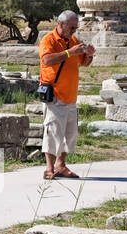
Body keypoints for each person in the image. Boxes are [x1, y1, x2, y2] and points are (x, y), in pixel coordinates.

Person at [37, 10, 93, 180]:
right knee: (53, 131)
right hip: (55, 94)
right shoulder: (49, 40)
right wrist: (70, 52)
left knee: (69, 134)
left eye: (76, 27)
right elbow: (46, 60)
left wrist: (89, 55)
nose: (74, 30)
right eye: (72, 27)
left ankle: (60, 165)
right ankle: (49, 168)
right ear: (61, 24)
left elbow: (84, 62)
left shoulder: (74, 41)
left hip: (70, 95)